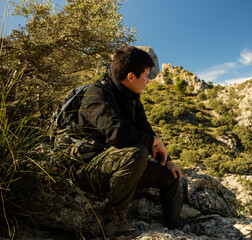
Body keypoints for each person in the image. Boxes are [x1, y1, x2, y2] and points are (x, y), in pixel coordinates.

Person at [72, 46, 183, 239]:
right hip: (87, 167)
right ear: (131, 76)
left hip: (118, 164)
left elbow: (145, 129)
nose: (148, 82)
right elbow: (117, 134)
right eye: (147, 76)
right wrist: (152, 141)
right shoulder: (96, 94)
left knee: (170, 175)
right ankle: (112, 217)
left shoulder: (132, 98)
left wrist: (169, 160)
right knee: (137, 152)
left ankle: (175, 228)